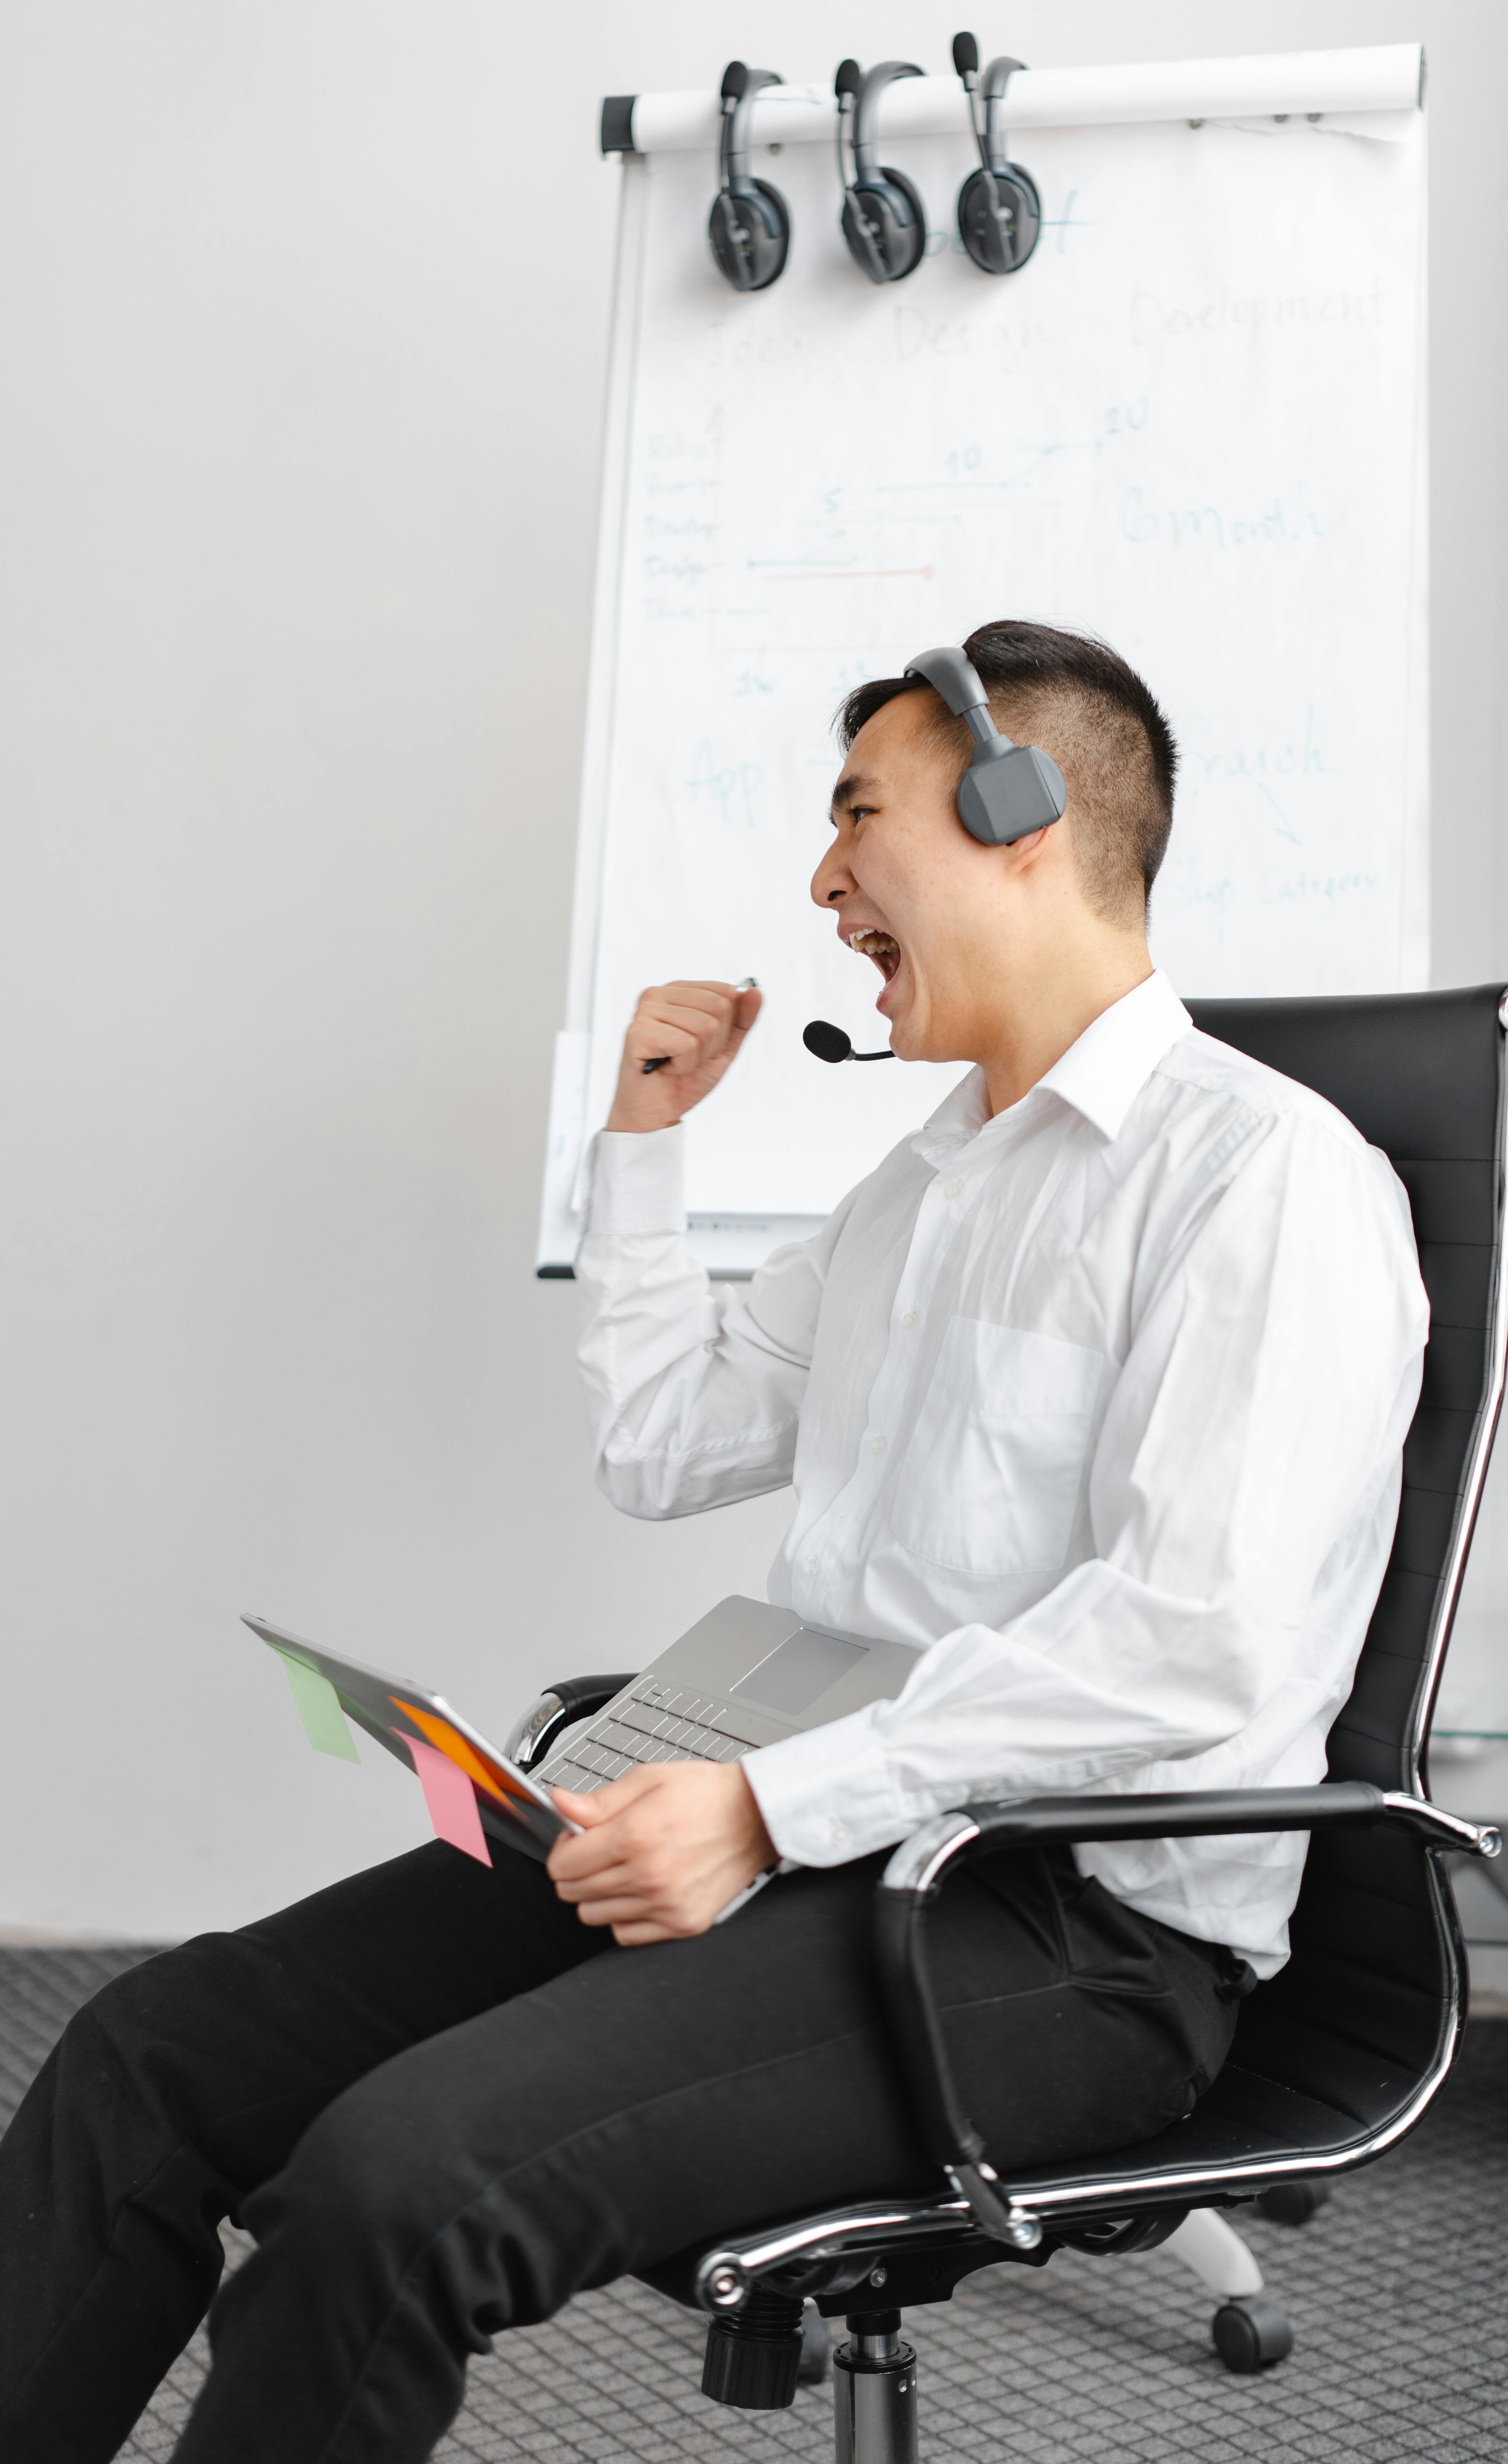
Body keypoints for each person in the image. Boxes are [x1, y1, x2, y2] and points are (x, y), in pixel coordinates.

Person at [0, 621, 1427, 2464]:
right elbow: (666, 1446)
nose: (823, 883)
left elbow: (1193, 1642)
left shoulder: (1265, 1178)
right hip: (793, 1822)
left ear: (1022, 818)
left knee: (392, 2189)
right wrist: (644, 1148)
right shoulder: (925, 1181)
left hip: (1058, 1927)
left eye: (860, 817)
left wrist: (771, 1806)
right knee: (147, 2058)